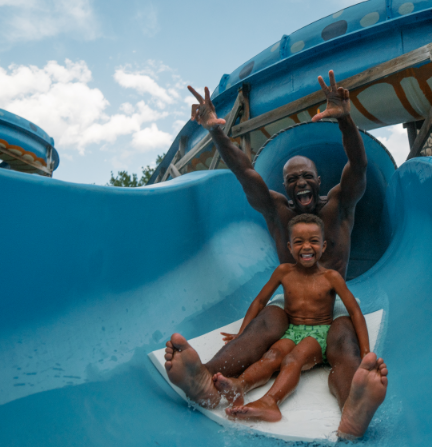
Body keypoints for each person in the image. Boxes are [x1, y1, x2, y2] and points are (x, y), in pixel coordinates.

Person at [164, 70, 387, 439]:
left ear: (319, 181)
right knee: (266, 321)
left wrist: (347, 120)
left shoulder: (338, 206)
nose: (300, 183)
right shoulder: (278, 211)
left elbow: (359, 168)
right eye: (292, 179)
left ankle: (353, 409)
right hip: (293, 311)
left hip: (331, 311)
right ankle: (206, 378)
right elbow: (246, 173)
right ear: (284, 186)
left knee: (344, 339)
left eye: (307, 177)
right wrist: (216, 130)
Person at [213, 215, 378, 425]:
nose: (306, 246)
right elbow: (260, 301)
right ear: (290, 247)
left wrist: (366, 354)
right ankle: (240, 385)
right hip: (291, 330)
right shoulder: (284, 272)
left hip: (319, 334)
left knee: (294, 359)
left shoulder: (331, 277)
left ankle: (270, 402)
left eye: (314, 241)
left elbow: (354, 312)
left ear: (323, 245)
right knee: (272, 356)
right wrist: (242, 334)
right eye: (299, 241)